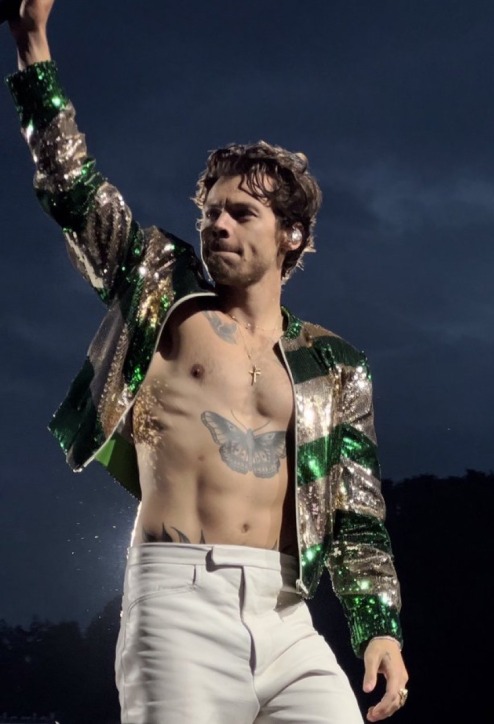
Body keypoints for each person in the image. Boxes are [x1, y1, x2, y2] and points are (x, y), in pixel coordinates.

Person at [5, 1, 409, 722]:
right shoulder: (161, 291)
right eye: (210, 212)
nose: (217, 224)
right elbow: (73, 190)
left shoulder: (334, 366)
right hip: (178, 603)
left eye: (241, 213)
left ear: (291, 235)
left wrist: (378, 627)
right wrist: (33, 43)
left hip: (288, 615)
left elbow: (356, 514)